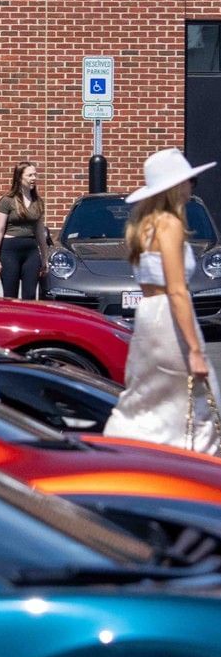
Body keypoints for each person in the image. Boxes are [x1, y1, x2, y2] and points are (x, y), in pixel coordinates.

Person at [103, 150, 218, 450]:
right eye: (189, 180)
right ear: (175, 186)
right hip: (170, 319)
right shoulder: (170, 224)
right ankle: (193, 466)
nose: (192, 185)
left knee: (145, 400)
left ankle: (128, 452)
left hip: (148, 318)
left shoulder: (143, 227)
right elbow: (177, 290)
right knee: (193, 403)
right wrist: (195, 350)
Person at [0, 162, 49, 300]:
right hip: (10, 251)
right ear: (19, 178)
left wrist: (45, 257)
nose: (34, 178)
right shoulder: (7, 200)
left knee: (30, 296)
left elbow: (40, 232)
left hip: (31, 252)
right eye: (30, 175)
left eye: (35, 175)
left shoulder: (38, 202)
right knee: (10, 296)